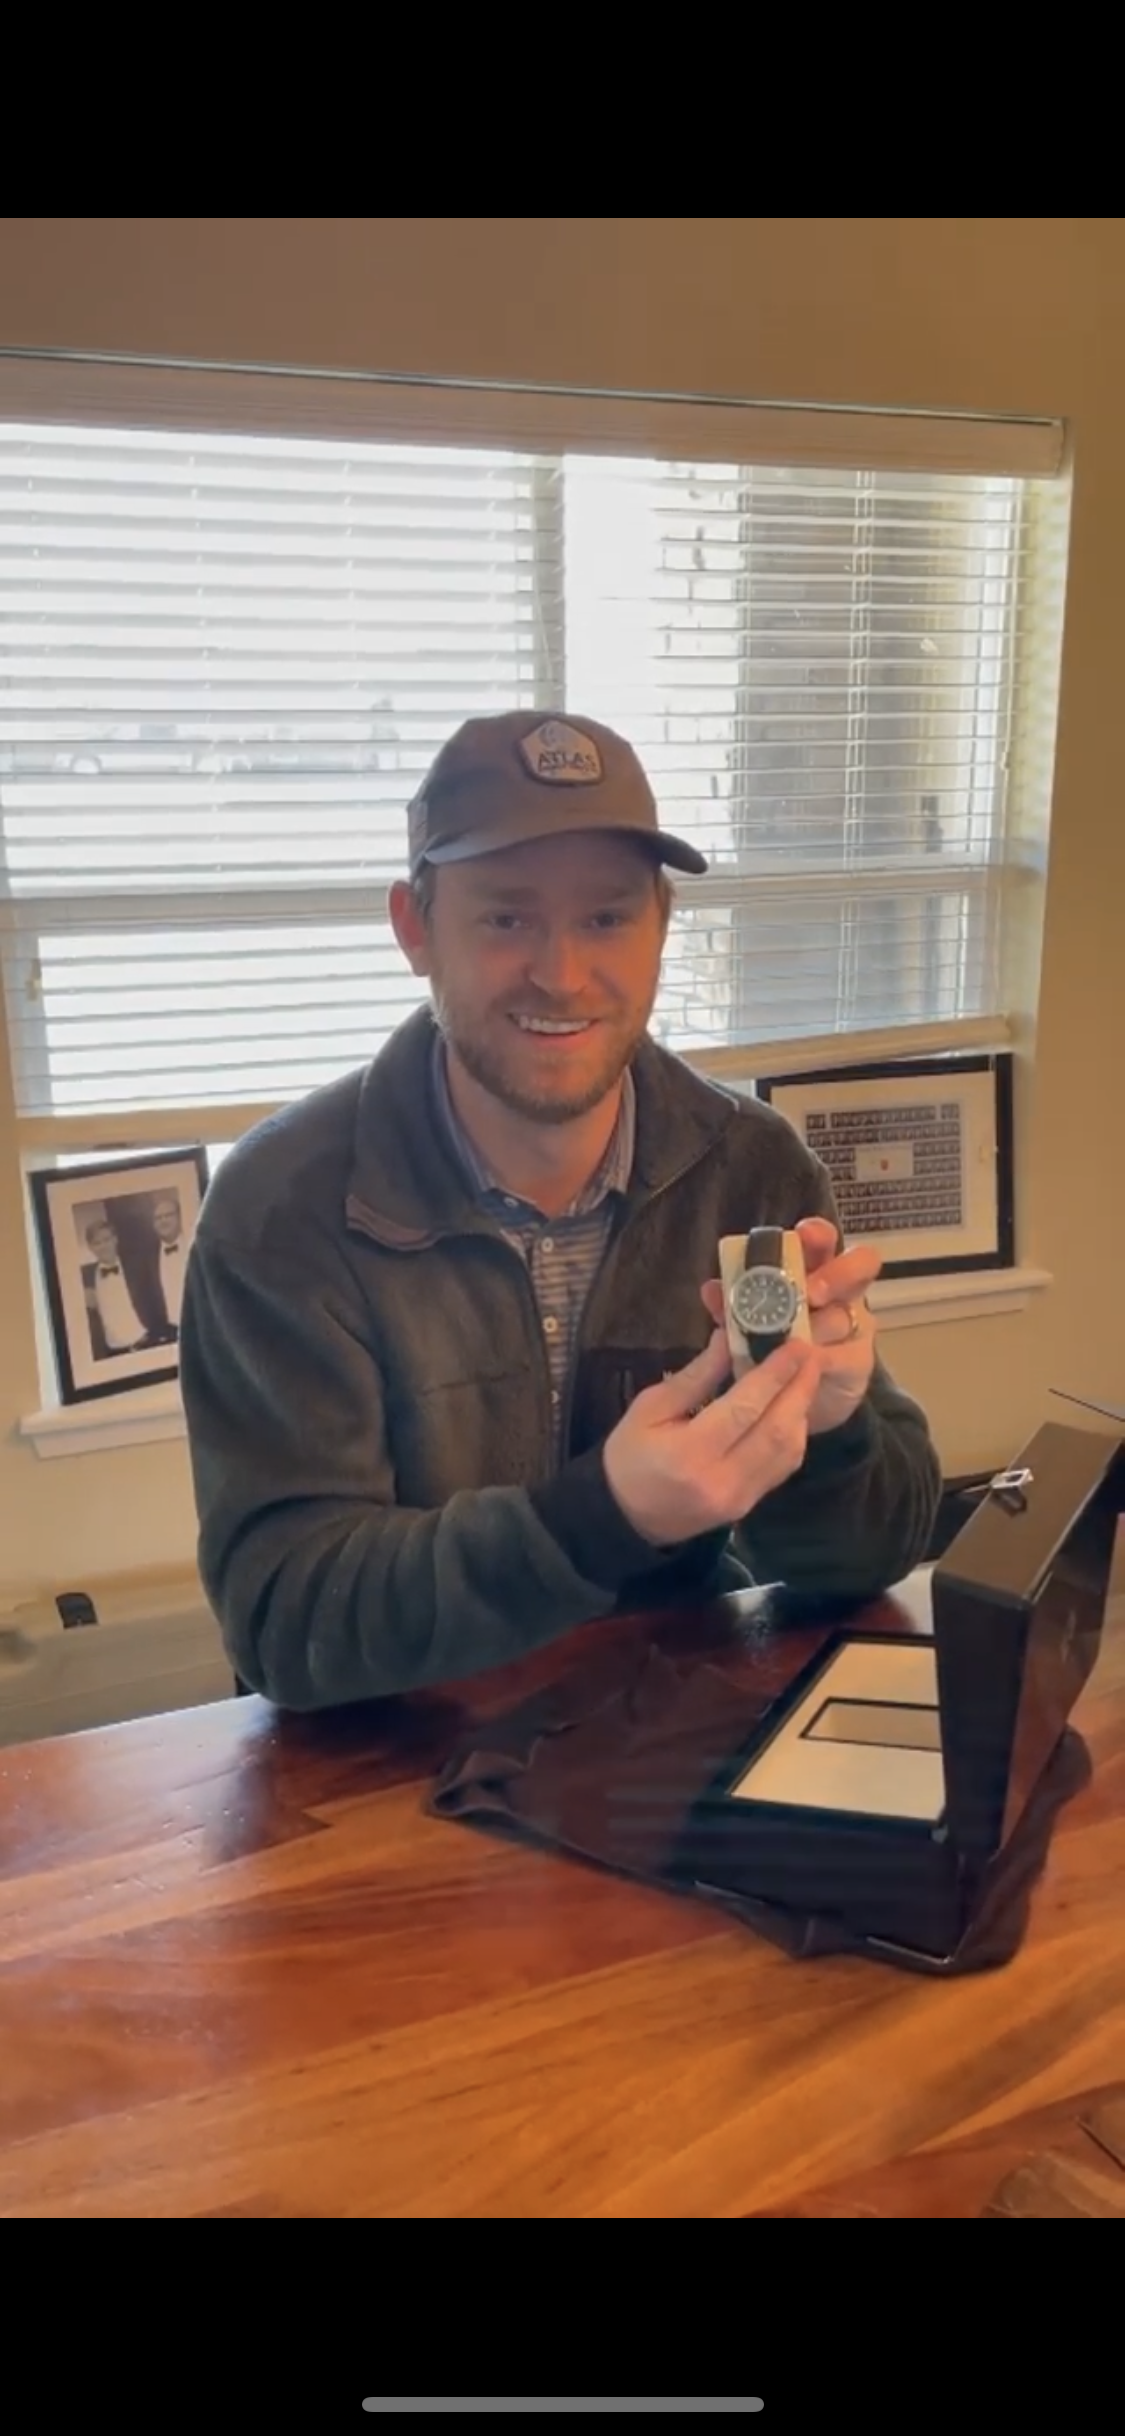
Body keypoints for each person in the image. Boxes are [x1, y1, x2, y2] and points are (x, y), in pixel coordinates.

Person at [180, 712, 941, 1712]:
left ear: (662, 923)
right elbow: (286, 1620)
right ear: (415, 928)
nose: (563, 974)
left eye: (607, 919)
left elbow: (868, 1560)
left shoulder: (754, 1170)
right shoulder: (282, 1211)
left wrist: (829, 1433)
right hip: (391, 1761)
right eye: (507, 919)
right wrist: (601, 1517)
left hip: (669, 1721)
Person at [81, 1216, 149, 1359]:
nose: (103, 1246)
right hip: (111, 1352)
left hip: (145, 1342)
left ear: (115, 1239)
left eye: (107, 1239)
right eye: (97, 1243)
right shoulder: (84, 1277)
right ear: (90, 1247)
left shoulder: (137, 1266)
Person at [148, 1189, 187, 1340]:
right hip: (168, 1332)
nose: (163, 1221)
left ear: (179, 1216)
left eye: (168, 1215)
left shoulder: (195, 1245)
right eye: (158, 1218)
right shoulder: (148, 1257)